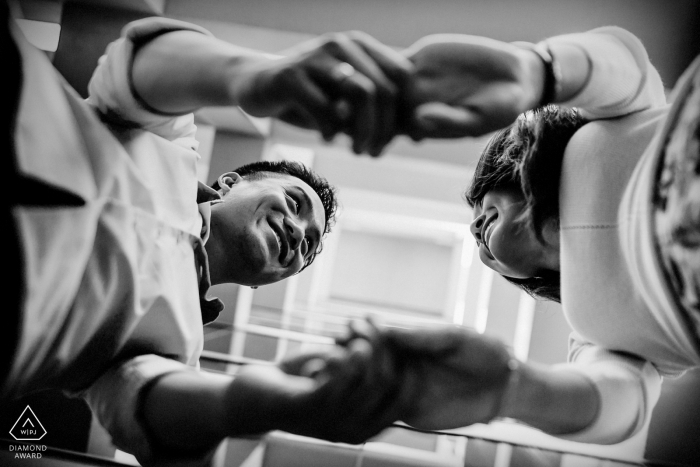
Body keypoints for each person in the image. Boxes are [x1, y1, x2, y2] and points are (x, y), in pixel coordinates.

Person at [4, 7, 415, 466]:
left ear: (265, 283)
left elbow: (142, 414)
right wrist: (256, 77)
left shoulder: (178, 350)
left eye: (308, 247)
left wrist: (282, 404)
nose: (299, 233)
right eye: (296, 204)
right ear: (230, 183)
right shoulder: (171, 142)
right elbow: (133, 68)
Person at [358, 25, 700, 445]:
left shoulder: (604, 130)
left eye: (480, 203)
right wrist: (511, 390)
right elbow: (623, 405)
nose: (474, 227)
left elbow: (626, 65)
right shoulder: (591, 328)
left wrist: (536, 72)